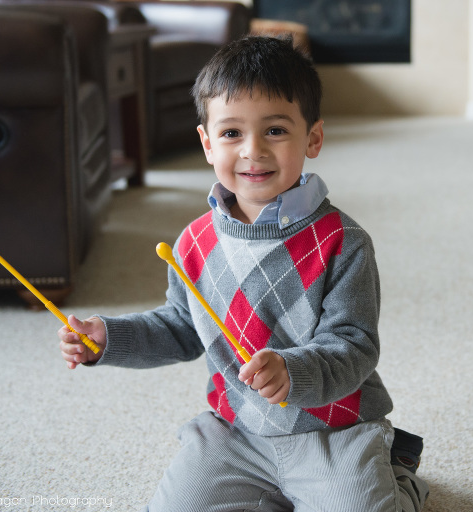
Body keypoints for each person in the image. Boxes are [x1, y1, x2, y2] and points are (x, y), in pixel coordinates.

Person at [58, 36, 430, 511]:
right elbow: (180, 326)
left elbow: (353, 348)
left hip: (332, 429)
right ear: (207, 142)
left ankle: (398, 472)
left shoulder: (343, 241)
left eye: (275, 130)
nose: (253, 151)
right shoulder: (194, 241)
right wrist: (109, 338)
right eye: (232, 133)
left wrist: (291, 370)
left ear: (313, 138)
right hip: (236, 432)